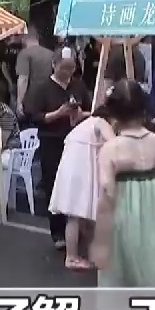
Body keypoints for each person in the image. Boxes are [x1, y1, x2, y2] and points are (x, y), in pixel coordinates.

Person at [90, 79, 155, 287]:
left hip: (120, 225)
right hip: (153, 221)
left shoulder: (111, 149)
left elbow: (107, 198)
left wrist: (101, 243)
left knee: (118, 283)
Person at [23, 47, 88, 248]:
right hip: (51, 141)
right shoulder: (41, 88)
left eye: (71, 67)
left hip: (76, 141)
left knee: (77, 184)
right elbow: (34, 116)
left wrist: (79, 115)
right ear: (54, 65)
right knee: (53, 184)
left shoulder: (78, 85)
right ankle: (58, 231)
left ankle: (76, 228)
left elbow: (90, 108)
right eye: (63, 67)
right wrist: (58, 113)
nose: (67, 72)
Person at [51, 102, 115, 271]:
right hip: (80, 170)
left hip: (73, 168)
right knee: (76, 214)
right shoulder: (101, 122)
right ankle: (71, 257)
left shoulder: (87, 123)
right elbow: (115, 144)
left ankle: (87, 253)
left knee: (79, 215)